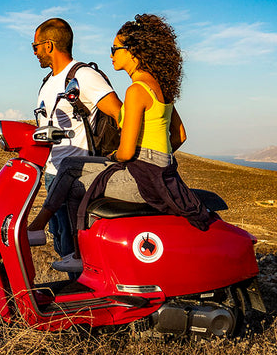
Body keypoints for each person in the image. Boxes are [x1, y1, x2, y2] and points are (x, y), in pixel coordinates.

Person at [31, 14, 212, 273]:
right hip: (160, 173)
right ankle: (63, 245)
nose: (111, 55)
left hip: (142, 175)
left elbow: (126, 152)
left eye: (115, 49)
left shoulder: (136, 90)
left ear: (134, 52)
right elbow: (179, 135)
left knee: (73, 171)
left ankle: (68, 248)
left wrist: (125, 157)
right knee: (74, 170)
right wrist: (159, 158)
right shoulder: (160, 88)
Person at [25, 18, 122, 263]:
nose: (34, 52)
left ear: (49, 46)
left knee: (77, 246)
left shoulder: (84, 76)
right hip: (51, 173)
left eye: (35, 46)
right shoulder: (48, 82)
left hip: (77, 177)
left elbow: (119, 113)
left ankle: (84, 295)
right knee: (61, 241)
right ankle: (74, 291)